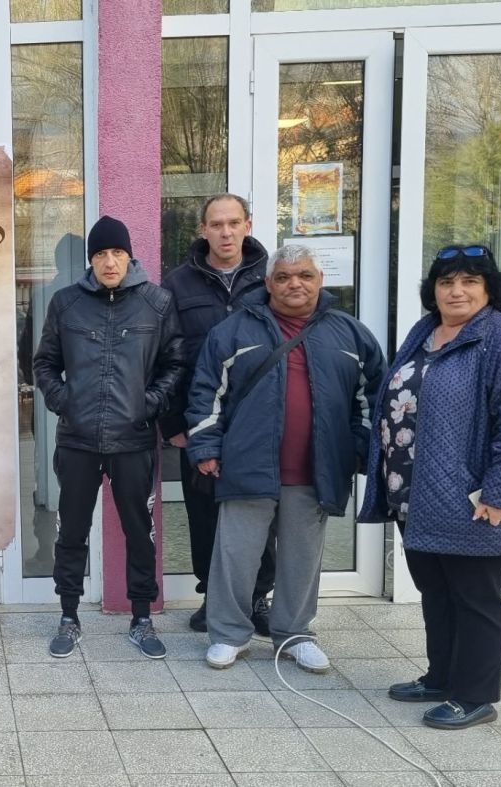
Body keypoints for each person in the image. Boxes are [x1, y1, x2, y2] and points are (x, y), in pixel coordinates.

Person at [360, 244, 501, 730]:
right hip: (417, 493)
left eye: (470, 281)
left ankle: (474, 695)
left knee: (475, 597)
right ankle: (442, 677)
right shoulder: (425, 332)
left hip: (475, 498)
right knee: (436, 590)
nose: (456, 291)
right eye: (446, 282)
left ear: (490, 289)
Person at [186, 244, 383, 673]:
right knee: (235, 556)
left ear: (320, 280)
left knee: (302, 558)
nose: (295, 284)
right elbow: (205, 394)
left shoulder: (351, 335)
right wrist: (206, 447)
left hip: (316, 469)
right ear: (269, 283)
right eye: (284, 277)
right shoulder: (233, 331)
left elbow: (373, 398)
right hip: (246, 464)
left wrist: (358, 448)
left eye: (305, 275)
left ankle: (295, 634)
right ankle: (228, 634)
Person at [33, 215, 188, 660]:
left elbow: (175, 363)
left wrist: (147, 404)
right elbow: (44, 363)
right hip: (78, 439)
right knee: (71, 530)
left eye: (117, 253)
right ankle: (68, 616)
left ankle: (142, 617)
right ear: (91, 260)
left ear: (129, 256)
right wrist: (65, 402)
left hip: (133, 440)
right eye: (100, 254)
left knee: (140, 531)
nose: (109, 262)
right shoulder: (66, 303)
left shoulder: (157, 303)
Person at [159, 194, 274, 635]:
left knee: (258, 510)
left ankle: (257, 597)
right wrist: (173, 424)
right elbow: (165, 356)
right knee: (204, 514)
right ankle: (214, 596)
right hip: (199, 420)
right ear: (203, 229)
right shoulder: (177, 284)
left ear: (248, 225)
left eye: (233, 223)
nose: (225, 232)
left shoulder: (271, 277)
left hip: (259, 421)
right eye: (216, 224)